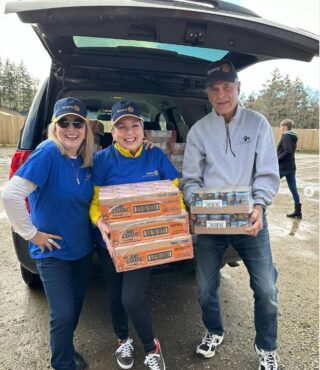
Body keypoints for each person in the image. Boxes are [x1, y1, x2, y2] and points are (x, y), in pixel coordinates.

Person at [182, 60, 280, 370]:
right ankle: (213, 330)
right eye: (214, 90)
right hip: (210, 224)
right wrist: (194, 204)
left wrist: (260, 206)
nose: (221, 95)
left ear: (238, 88)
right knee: (205, 287)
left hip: (249, 220)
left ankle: (266, 346)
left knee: (266, 289)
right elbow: (191, 179)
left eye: (227, 88)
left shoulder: (258, 124)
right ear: (207, 94)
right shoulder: (199, 131)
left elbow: (267, 173)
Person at [89, 99, 183, 370]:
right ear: (113, 132)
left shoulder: (155, 156)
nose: (129, 132)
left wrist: (179, 220)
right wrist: (98, 222)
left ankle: (150, 346)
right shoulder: (102, 160)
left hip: (144, 241)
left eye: (134, 126)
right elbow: (95, 202)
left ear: (143, 129)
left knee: (131, 297)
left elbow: (174, 193)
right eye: (122, 127)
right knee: (115, 295)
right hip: (111, 242)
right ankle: (122, 339)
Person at [2, 97, 95, 370]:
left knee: (75, 305)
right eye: (63, 121)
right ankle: (62, 362)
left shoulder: (86, 157)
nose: (71, 128)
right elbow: (11, 195)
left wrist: (147, 147)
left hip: (82, 248)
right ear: (55, 126)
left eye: (77, 122)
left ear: (86, 127)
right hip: (52, 252)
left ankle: (66, 348)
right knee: (63, 313)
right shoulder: (47, 153)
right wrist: (32, 234)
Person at [277, 118, 302, 219]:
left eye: (281, 126)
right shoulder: (293, 136)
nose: (280, 128)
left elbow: (287, 151)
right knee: (293, 189)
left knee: (267, 183)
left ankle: (258, 207)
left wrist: (276, 160)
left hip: (283, 167)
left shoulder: (286, 136)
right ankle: (298, 212)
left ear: (285, 126)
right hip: (291, 167)